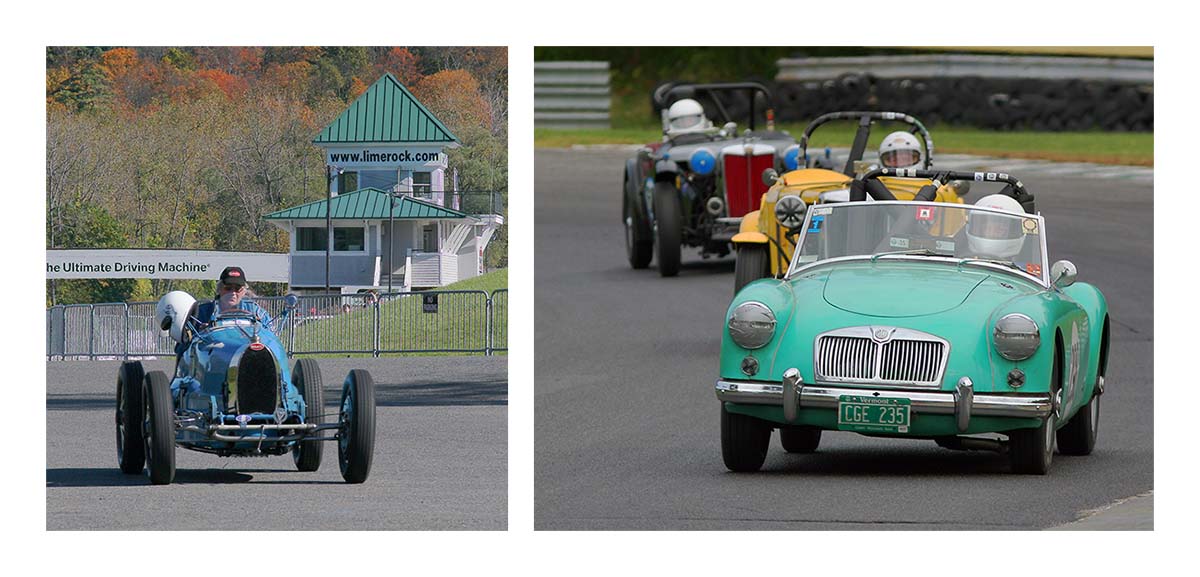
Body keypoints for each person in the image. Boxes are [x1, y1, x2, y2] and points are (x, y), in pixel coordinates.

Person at [961, 194, 1027, 260]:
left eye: (998, 229)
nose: (991, 232)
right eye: (987, 228)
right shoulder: (958, 258)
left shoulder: (1023, 266)